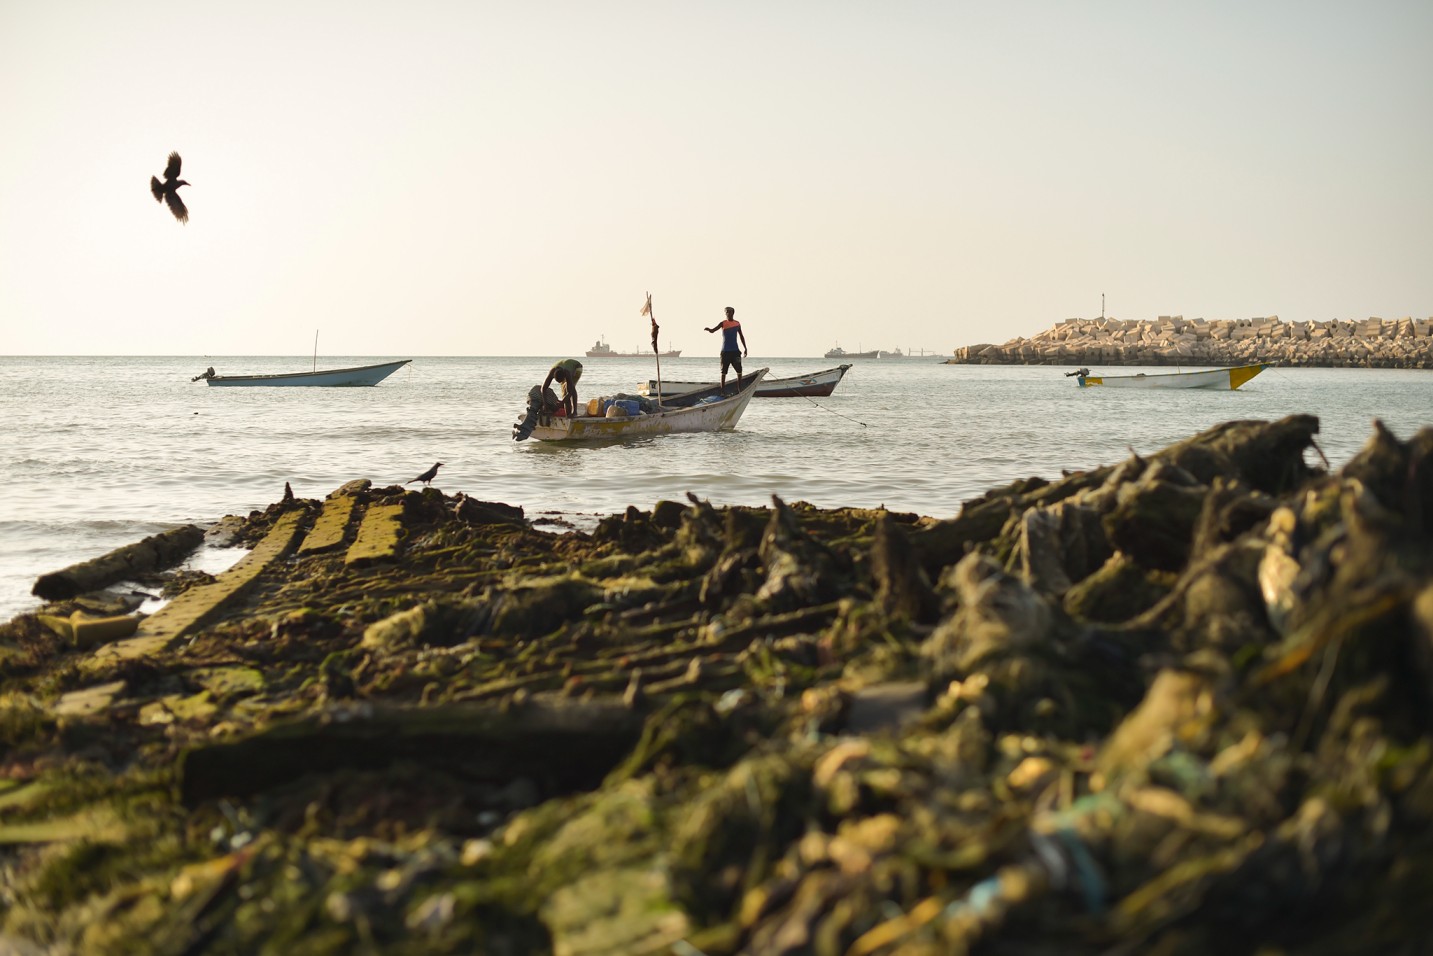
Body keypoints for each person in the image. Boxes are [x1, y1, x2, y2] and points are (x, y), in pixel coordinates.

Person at [703, 306, 748, 394]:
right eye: (726, 312)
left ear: (733, 313)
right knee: (723, 372)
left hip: (735, 351)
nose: (727, 314)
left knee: (739, 370)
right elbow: (713, 330)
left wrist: (745, 348)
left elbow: (741, 336)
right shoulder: (723, 323)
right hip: (725, 352)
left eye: (729, 312)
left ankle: (739, 390)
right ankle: (722, 391)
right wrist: (709, 330)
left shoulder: (737, 323)